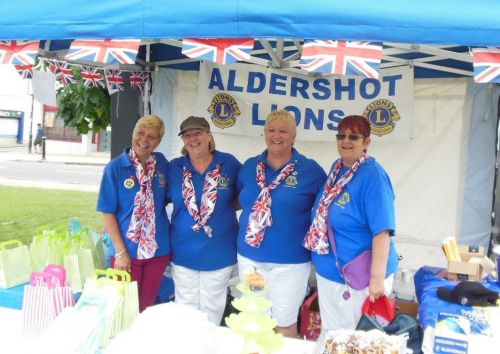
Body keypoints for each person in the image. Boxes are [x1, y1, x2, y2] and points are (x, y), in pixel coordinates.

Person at [304, 114, 398, 331]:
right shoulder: (338, 168)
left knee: (357, 340)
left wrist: (377, 279)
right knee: (333, 335)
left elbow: (382, 232)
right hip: (331, 273)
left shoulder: (373, 175)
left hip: (361, 279)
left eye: (354, 137)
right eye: (341, 135)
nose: (346, 141)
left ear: (366, 142)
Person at [237, 110, 326, 337]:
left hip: (290, 263)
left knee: (284, 324)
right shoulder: (249, 166)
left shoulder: (310, 170)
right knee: (255, 320)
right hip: (251, 260)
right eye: (271, 130)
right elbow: (239, 200)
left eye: (283, 131)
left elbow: (324, 211)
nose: (276, 136)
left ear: (293, 137)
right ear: (265, 134)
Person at [167, 116, 241, 325]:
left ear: (209, 135)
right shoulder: (174, 168)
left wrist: (217, 209)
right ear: (183, 140)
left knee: (212, 307)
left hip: (219, 250)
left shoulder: (229, 164)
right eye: (187, 135)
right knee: (185, 307)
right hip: (183, 251)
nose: (193, 138)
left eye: (198, 133)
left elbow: (245, 195)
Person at [97, 114, 171, 312]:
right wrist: (121, 252)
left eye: (152, 136)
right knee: (123, 308)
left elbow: (173, 196)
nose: (144, 140)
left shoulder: (163, 164)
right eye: (141, 133)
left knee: (147, 306)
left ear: (159, 141)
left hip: (158, 251)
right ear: (133, 133)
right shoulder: (115, 168)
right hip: (126, 252)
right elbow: (107, 212)